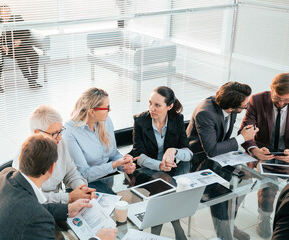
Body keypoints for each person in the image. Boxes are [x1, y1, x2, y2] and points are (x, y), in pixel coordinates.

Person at [0, 134, 117, 240]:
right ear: (52, 168)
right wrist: (97, 239)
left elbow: (31, 208)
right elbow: (33, 212)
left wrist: (67, 209)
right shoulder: (38, 218)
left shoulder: (5, 175)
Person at [186, 82, 257, 240]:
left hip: (219, 159)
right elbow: (211, 151)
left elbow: (222, 141)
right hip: (197, 163)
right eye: (245, 106)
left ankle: (229, 223)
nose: (247, 107)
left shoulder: (228, 107)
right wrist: (241, 138)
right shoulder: (205, 113)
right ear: (232, 107)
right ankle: (225, 234)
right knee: (221, 192)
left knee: (246, 180)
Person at [127, 86, 192, 240]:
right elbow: (138, 154)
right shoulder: (141, 120)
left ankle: (154, 236)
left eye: (157, 105)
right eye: (150, 103)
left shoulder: (177, 120)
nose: (152, 108)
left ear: (169, 106)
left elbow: (188, 153)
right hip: (148, 170)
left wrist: (173, 151)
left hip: (172, 169)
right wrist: (159, 165)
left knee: (165, 187)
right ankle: (177, 228)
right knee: (165, 185)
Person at [12, 104, 97, 203]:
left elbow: (71, 173)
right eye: (55, 133)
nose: (60, 137)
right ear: (37, 133)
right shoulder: (24, 157)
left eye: (61, 131)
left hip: (60, 201)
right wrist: (68, 197)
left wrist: (82, 189)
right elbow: (35, 197)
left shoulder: (61, 143)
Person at [239, 73, 289, 238]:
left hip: (286, 153)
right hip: (262, 151)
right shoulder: (257, 100)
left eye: (286, 100)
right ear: (271, 90)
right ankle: (265, 216)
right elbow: (244, 130)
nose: (281, 103)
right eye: (277, 98)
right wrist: (254, 150)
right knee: (269, 184)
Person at [63, 87, 136, 183]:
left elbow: (113, 153)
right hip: (87, 185)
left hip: (108, 179)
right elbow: (84, 174)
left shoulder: (106, 120)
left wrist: (124, 164)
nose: (109, 110)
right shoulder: (70, 132)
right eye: (107, 107)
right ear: (92, 112)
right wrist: (114, 165)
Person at [0, 5, 41, 89]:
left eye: (8, 11)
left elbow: (27, 32)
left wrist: (20, 40)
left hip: (22, 44)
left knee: (34, 56)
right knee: (21, 56)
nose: (7, 14)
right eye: (4, 12)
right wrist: (2, 46)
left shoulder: (17, 18)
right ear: (0, 14)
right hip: (9, 47)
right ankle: (31, 81)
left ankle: (33, 79)